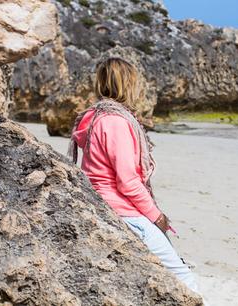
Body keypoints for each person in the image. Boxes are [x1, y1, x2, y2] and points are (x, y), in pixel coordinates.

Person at [68, 57, 199, 293]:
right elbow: (127, 182)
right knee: (184, 279)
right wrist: (157, 217)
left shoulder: (94, 117)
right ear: (128, 84)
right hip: (122, 210)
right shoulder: (116, 122)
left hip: (98, 202)